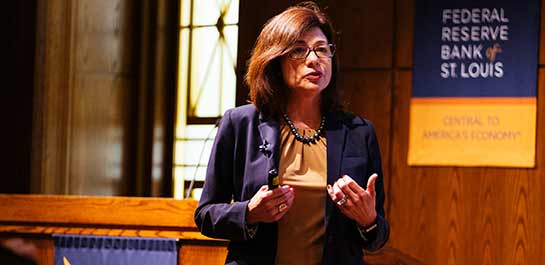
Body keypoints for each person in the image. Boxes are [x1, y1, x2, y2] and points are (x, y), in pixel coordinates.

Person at [194, 2, 389, 264]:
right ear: (276, 59)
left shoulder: (358, 132)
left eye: (322, 50)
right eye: (299, 50)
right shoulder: (240, 124)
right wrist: (249, 213)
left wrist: (368, 219)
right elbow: (206, 215)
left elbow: (378, 237)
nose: (314, 60)